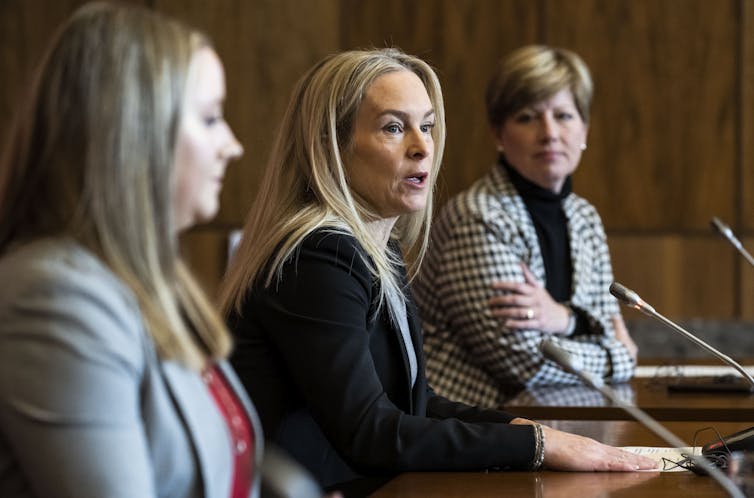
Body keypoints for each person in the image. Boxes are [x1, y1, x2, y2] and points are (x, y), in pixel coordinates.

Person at [219, 47, 656, 496]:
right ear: (334, 145)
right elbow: (369, 432)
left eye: (426, 126)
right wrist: (537, 443)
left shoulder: (376, 248)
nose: (422, 145)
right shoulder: (319, 256)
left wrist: (527, 430)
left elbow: (415, 403)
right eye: (394, 127)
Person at [0, 3, 259, 497]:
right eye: (210, 118)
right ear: (136, 131)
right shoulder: (53, 298)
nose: (232, 144)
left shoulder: (153, 280)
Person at [412, 45, 638, 408]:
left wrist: (564, 319)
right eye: (528, 117)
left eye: (563, 116)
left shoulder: (585, 218)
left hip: (561, 416)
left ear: (584, 130)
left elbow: (604, 322)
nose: (549, 133)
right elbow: (525, 363)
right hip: (469, 430)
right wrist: (619, 357)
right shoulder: (478, 217)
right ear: (498, 134)